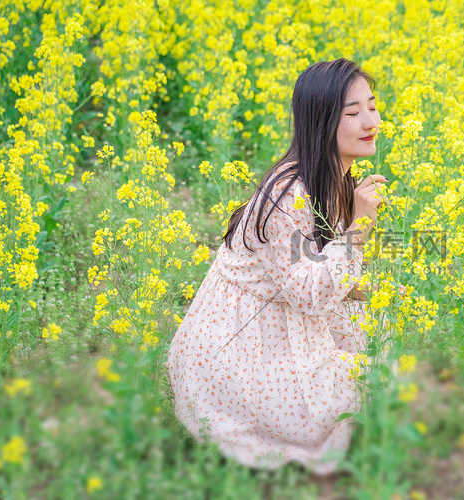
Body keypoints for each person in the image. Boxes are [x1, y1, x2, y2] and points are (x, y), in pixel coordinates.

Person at [166, 58, 387, 476]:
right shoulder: (288, 193)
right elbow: (306, 294)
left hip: (281, 324)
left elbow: (322, 267)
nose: (370, 121)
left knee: (379, 336)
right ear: (321, 122)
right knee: (353, 392)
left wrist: (367, 290)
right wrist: (360, 224)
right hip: (233, 355)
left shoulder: (334, 176)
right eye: (353, 113)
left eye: (372, 107)